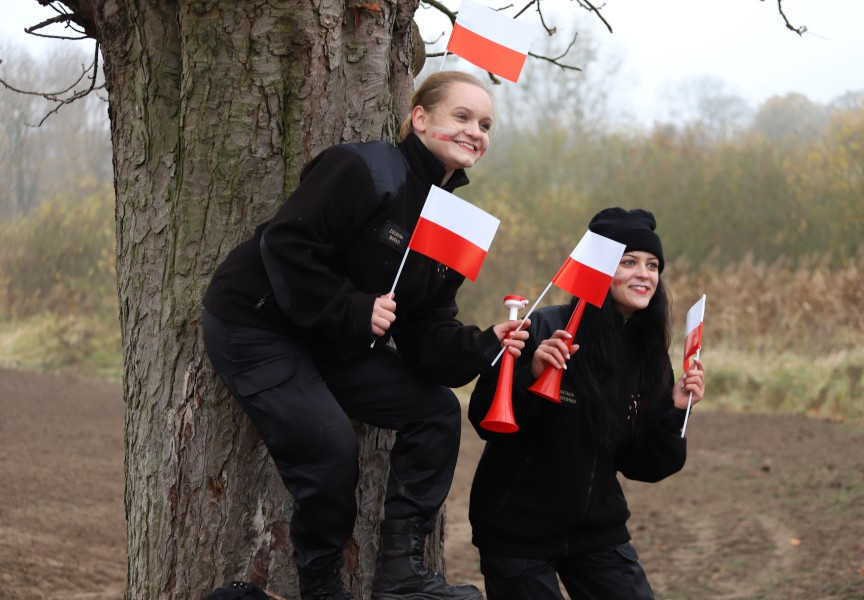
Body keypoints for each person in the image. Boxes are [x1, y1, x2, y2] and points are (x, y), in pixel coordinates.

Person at [201, 71, 529, 600]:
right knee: (332, 448)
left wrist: (485, 342)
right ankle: (322, 587)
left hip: (335, 340)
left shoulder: (456, 222)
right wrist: (353, 309)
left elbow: (425, 331)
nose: (476, 132)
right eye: (462, 116)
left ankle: (402, 574)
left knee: (437, 412)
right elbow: (286, 246)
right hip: (257, 325)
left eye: (486, 125)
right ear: (420, 118)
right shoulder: (361, 167)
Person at [467, 208, 706, 600]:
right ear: (599, 269)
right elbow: (482, 416)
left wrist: (675, 409)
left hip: (596, 531)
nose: (644, 274)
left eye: (652, 265)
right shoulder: (544, 327)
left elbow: (642, 464)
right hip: (516, 530)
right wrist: (532, 374)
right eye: (628, 262)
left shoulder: (649, 357)